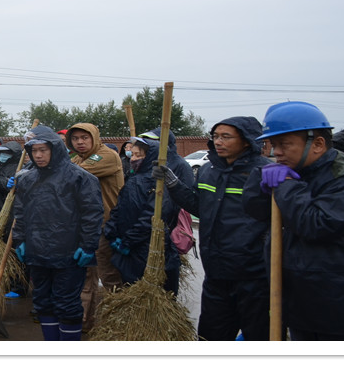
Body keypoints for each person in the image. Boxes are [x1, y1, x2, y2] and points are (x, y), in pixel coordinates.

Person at [242, 101, 344, 341]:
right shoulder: (297, 170)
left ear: (318, 144)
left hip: (335, 309)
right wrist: (259, 184)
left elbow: (317, 224)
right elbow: (256, 211)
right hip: (298, 301)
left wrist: (286, 186)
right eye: (273, 145)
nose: (276, 153)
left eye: (284, 145)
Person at [153, 117, 270, 340]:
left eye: (226, 137)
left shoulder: (265, 173)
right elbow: (198, 206)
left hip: (255, 278)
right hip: (216, 274)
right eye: (215, 136)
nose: (218, 142)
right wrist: (173, 184)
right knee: (210, 337)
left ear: (246, 141)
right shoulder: (208, 171)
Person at [11, 126, 103, 342]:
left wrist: (88, 245)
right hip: (37, 253)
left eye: (43, 150)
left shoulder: (80, 178)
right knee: (43, 302)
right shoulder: (27, 179)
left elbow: (92, 214)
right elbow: (20, 212)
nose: (39, 155)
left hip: (68, 254)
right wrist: (20, 240)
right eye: (34, 151)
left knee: (67, 304)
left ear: (55, 149)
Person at [65, 122, 125, 332]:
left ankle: (119, 323)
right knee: (86, 278)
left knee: (109, 277)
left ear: (94, 137)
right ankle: (84, 323)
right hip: (86, 227)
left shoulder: (106, 156)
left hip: (106, 226)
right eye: (75, 139)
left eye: (84, 137)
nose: (80, 142)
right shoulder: (76, 159)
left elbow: (72, 175)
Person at [104, 136, 182, 295]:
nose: (133, 159)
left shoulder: (159, 184)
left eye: (139, 155)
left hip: (148, 248)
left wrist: (128, 241)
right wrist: (111, 232)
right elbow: (120, 208)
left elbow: (151, 217)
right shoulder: (133, 179)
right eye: (132, 154)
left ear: (151, 157)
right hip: (130, 250)